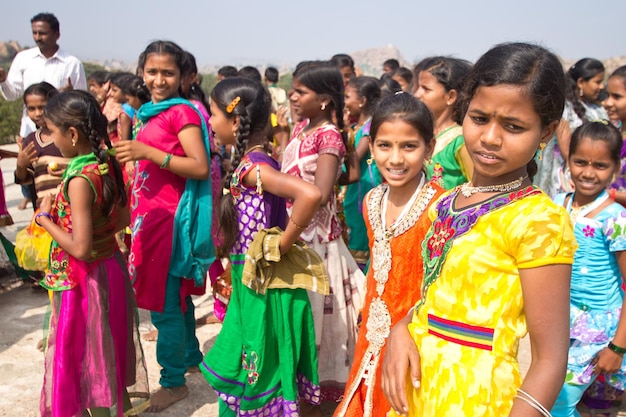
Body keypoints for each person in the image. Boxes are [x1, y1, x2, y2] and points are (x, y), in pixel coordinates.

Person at [382, 42, 577, 417]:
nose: (490, 137)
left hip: (475, 401)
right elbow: (431, 298)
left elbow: (550, 361)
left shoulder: (538, 221)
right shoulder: (447, 201)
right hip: (419, 393)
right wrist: (400, 330)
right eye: (480, 118)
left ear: (546, 132)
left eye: (514, 126)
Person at [201, 76, 325, 416]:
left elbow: (309, 194)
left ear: (236, 121)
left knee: (254, 358)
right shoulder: (258, 160)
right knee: (255, 354)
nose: (210, 122)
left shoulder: (252, 169)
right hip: (253, 279)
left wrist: (281, 246)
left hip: (260, 283)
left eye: (213, 114)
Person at [113, 40, 214, 413]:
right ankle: (188, 357)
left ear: (183, 76)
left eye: (167, 72)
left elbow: (199, 166)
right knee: (177, 297)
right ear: (142, 72)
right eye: (152, 72)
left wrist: (148, 153)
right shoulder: (151, 113)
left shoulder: (181, 115)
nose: (159, 79)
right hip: (148, 218)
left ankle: (173, 382)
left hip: (169, 221)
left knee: (165, 304)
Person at [36, 90, 148, 417]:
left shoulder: (79, 181)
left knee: (89, 363)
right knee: (107, 355)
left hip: (84, 283)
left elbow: (81, 249)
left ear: (72, 135)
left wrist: (46, 220)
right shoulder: (106, 163)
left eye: (52, 132)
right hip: (110, 268)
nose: (50, 138)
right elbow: (124, 217)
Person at [334, 92, 445, 417]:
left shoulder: (441, 207)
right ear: (371, 144)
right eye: (385, 146)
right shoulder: (372, 200)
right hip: (372, 331)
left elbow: (442, 283)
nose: (395, 159)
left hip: (415, 339)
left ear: (430, 146)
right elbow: (376, 265)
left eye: (408, 146)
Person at [282, 60, 366, 404]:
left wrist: (272, 184)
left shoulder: (328, 135)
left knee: (322, 326)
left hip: (317, 245)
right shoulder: (303, 129)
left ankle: (318, 396)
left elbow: (316, 193)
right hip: (301, 236)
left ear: (325, 100)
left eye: (301, 91)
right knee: (306, 324)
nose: (292, 96)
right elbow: (337, 180)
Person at [550, 121, 626, 417]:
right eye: (580, 162)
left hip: (597, 332)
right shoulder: (558, 205)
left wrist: (617, 348)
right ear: (568, 161)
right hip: (561, 322)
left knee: (561, 401)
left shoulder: (615, 219)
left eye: (600, 165)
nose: (588, 172)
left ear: (615, 169)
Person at [0, 12, 87, 138]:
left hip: (60, 135)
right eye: (34, 33)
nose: (37, 37)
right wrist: (3, 81)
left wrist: (70, 95)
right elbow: (11, 95)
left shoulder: (72, 63)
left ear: (57, 34)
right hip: (29, 133)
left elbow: (82, 103)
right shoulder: (23, 59)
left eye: (42, 33)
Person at [536, 58, 609, 198]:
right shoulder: (566, 108)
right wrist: (576, 172)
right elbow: (566, 146)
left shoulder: (597, 108)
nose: (601, 86)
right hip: (569, 173)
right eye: (597, 82)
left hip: (594, 172)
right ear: (581, 82)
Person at [414, 56, 473, 189]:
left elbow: (477, 188)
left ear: (451, 96)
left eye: (426, 89)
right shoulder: (423, 133)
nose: (417, 94)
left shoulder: (460, 141)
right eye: (418, 87)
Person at [342, 76, 382, 269]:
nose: (345, 101)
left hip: (363, 190)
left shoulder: (369, 128)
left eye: (348, 96)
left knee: (360, 244)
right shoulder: (356, 127)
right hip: (353, 190)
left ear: (362, 100)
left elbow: (355, 158)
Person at [15, 82, 67, 207]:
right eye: (31, 109)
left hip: (70, 208)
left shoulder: (68, 136)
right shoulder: (30, 141)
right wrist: (21, 165)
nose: (37, 113)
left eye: (42, 107)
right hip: (44, 210)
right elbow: (23, 178)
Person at [604, 66, 626, 207]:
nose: (607, 103)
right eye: (607, 95)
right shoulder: (614, 133)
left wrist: (608, 194)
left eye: (616, 97)